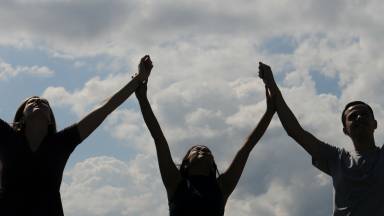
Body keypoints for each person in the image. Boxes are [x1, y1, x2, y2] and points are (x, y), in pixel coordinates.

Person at [0, 55, 152, 216]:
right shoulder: (7, 137)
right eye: (31, 102)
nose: (38, 102)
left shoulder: (61, 143)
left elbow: (105, 108)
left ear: (50, 120)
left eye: (44, 103)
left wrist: (139, 79)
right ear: (22, 117)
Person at [135, 59, 275, 216]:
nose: (203, 149)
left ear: (212, 166)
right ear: (186, 163)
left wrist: (270, 112)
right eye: (197, 149)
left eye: (206, 150)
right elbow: (158, 138)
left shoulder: (222, 187)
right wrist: (142, 99)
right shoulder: (175, 182)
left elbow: (247, 147)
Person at [259, 62, 384, 216]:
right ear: (345, 130)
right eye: (352, 117)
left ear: (375, 124)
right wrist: (272, 85)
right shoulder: (336, 159)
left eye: (364, 114)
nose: (359, 117)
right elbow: (295, 131)